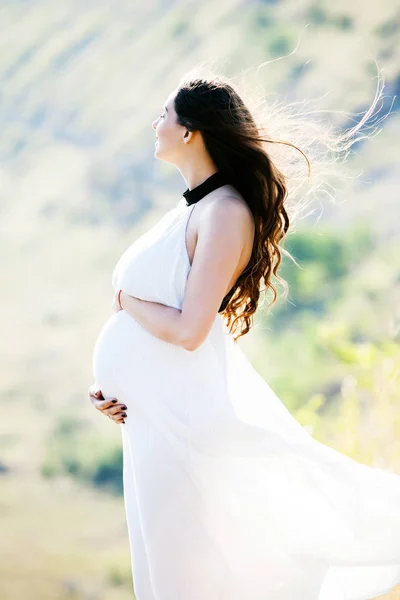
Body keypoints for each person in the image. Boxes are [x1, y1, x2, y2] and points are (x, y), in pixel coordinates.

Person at [88, 74, 400, 600]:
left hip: (184, 427)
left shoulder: (225, 212)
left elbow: (189, 330)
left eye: (164, 113)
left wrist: (125, 302)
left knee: (185, 578)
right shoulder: (190, 209)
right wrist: (112, 389)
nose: (155, 123)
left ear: (190, 131)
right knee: (164, 571)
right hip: (151, 421)